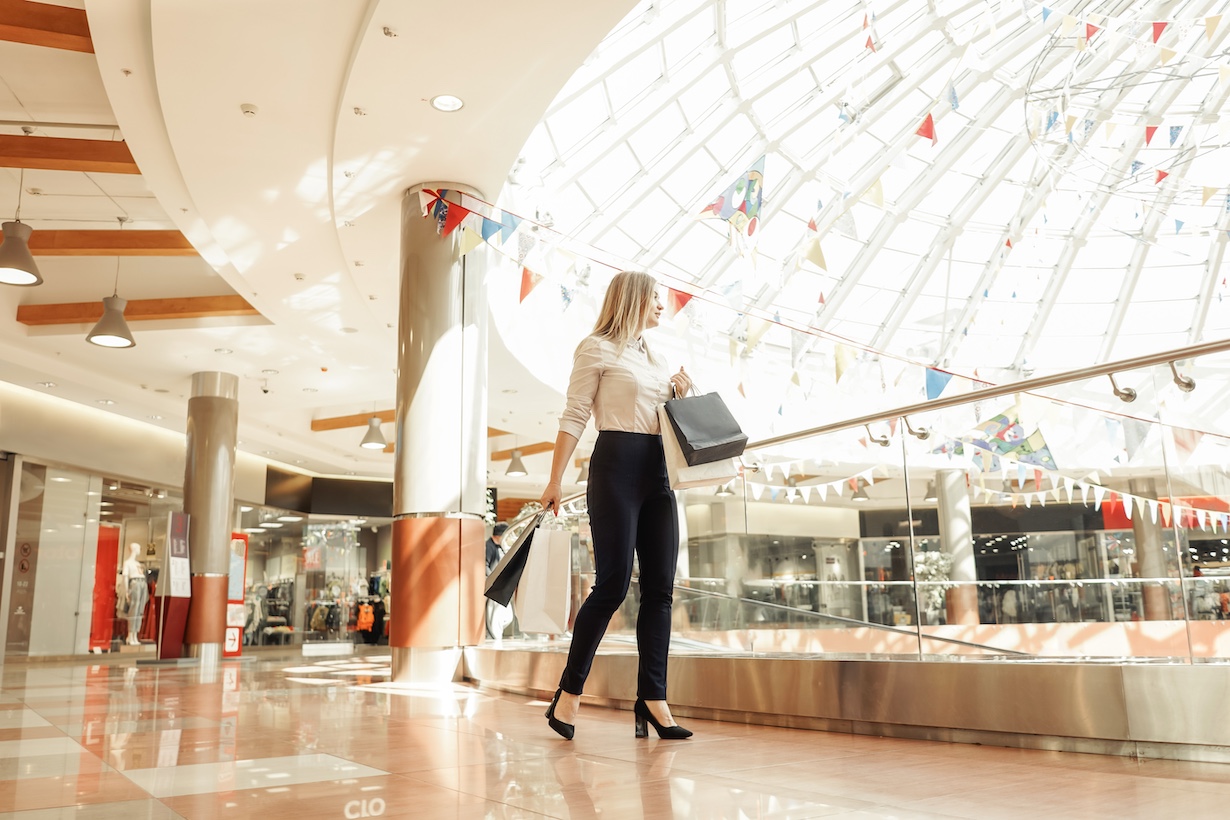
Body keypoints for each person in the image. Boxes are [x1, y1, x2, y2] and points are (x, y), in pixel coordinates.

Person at [539, 270, 694, 741]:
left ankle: (653, 699)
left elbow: (663, 421)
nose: (663, 306)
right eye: (655, 298)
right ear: (631, 299)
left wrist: (679, 394)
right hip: (615, 469)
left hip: (658, 472)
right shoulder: (595, 348)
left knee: (661, 590)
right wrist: (554, 478)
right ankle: (568, 695)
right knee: (610, 585)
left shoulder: (657, 358)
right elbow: (575, 413)